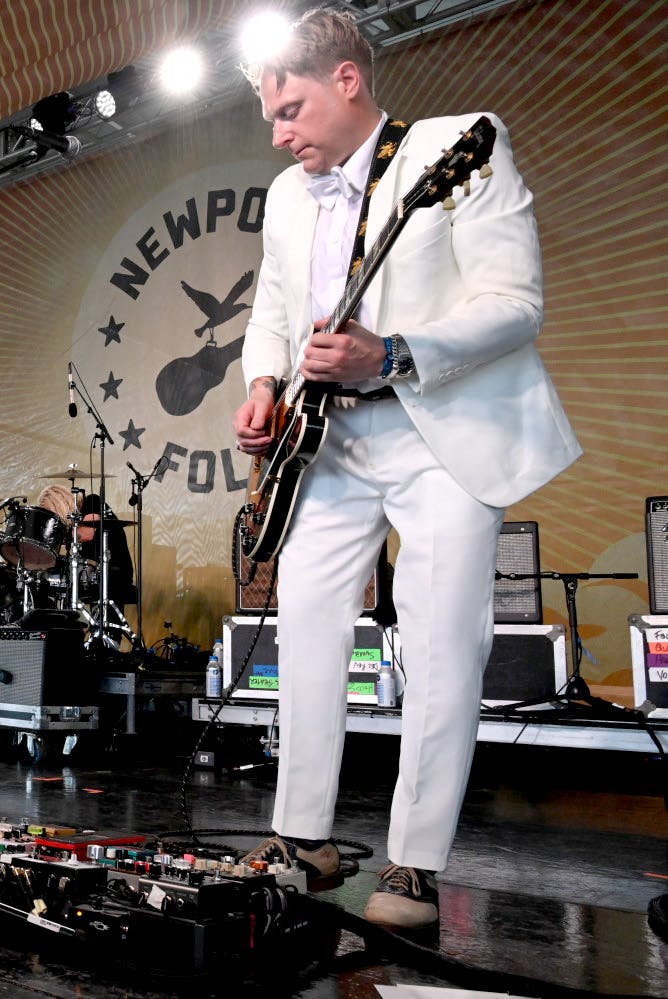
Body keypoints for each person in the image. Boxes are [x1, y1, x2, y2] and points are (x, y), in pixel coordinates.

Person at [231, 8, 579, 930]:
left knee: (439, 647)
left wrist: (390, 353)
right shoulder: (285, 195)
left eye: (291, 110)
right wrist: (263, 384)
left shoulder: (459, 144)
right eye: (271, 117)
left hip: (441, 434)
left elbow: (517, 303)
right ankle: (302, 838)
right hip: (327, 441)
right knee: (306, 629)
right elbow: (272, 312)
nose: (279, 135)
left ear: (347, 79)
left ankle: (415, 864)